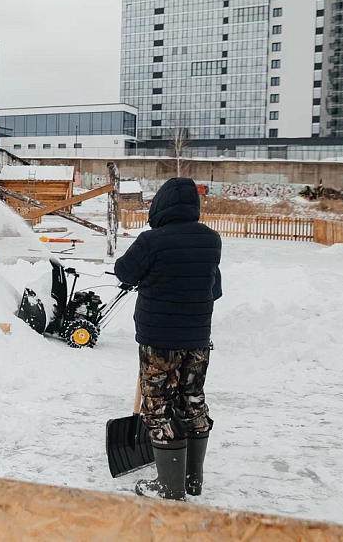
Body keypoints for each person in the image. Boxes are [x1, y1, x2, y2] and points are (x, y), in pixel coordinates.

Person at [114, 177, 223, 501]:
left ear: (161, 205)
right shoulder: (211, 240)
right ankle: (193, 479)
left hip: (159, 339)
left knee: (159, 407)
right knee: (192, 399)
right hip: (198, 339)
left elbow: (124, 272)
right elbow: (213, 287)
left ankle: (170, 487)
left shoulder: (152, 241)